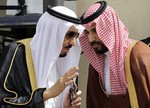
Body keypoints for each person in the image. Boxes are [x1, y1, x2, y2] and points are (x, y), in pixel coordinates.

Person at [0, 5, 84, 108]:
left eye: (76, 36)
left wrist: (66, 106)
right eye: (69, 35)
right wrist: (46, 95)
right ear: (53, 32)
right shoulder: (18, 52)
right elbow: (3, 103)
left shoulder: (66, 59)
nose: (73, 43)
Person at [79, 1, 150, 108]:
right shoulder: (96, 64)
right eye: (87, 33)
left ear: (109, 28)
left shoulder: (138, 54)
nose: (91, 39)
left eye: (95, 31)